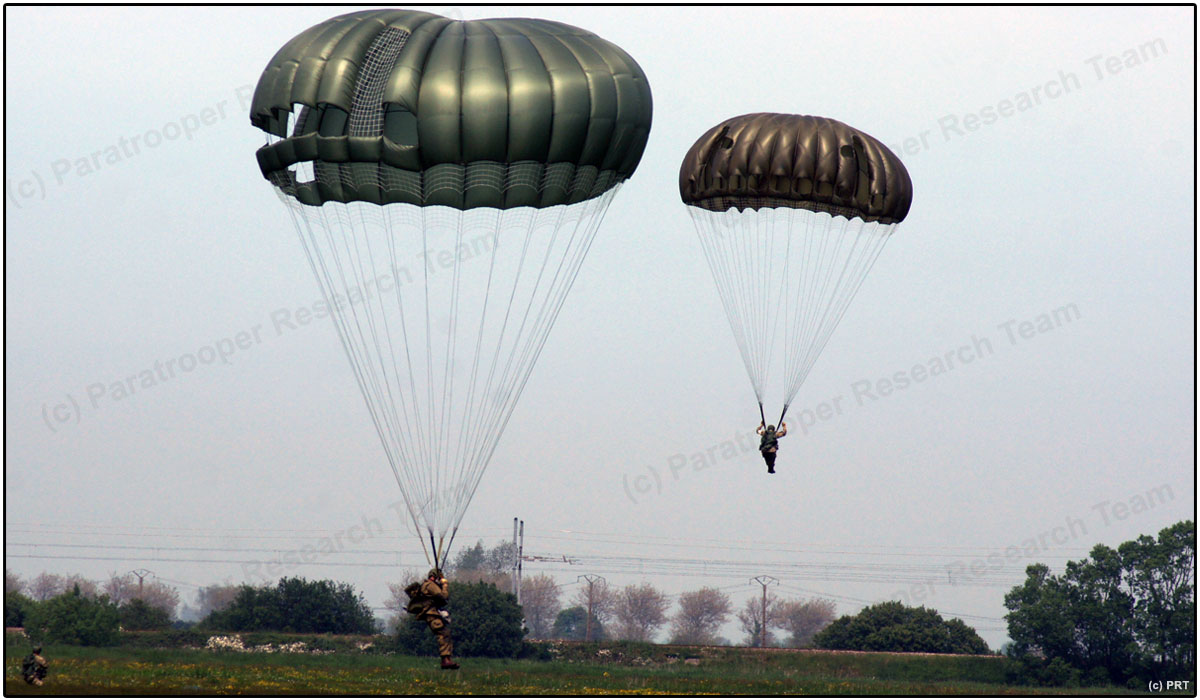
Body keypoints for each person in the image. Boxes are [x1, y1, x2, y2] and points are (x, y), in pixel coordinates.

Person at [409, 569, 459, 670]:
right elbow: (444, 596)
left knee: (445, 633)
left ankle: (447, 659)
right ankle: (445, 660)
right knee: (443, 633)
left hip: (432, 614)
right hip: (432, 615)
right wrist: (444, 584)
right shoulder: (430, 585)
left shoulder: (428, 585)